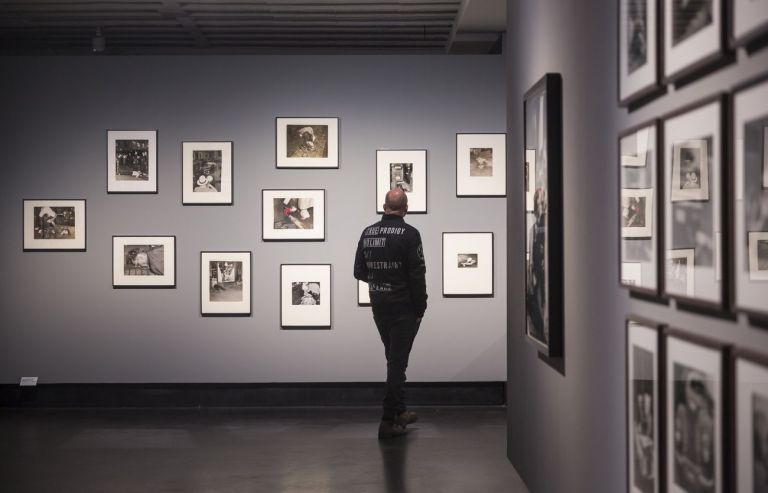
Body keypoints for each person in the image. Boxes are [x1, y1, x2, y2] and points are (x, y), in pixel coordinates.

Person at [354, 188, 427, 439]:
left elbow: (359, 272)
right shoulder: (410, 234)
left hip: (379, 305)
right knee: (397, 363)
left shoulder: (368, 232)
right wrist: (421, 308)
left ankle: (401, 411)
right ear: (405, 208)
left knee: (394, 358)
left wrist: (380, 281)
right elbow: (417, 275)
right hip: (403, 307)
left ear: (384, 206)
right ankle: (387, 420)